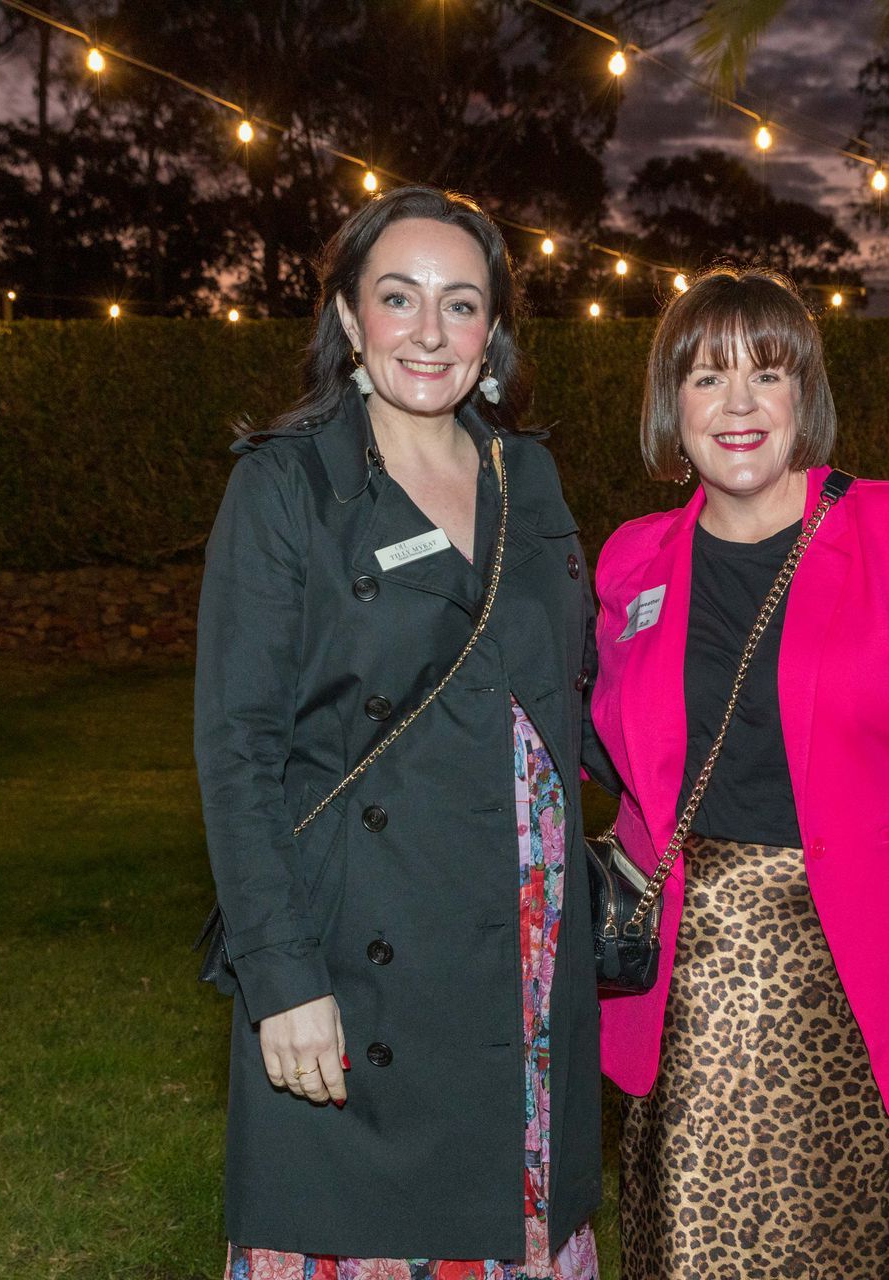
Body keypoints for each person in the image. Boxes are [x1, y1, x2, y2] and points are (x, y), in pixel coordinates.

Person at [589, 267, 889, 1278]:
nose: (737, 404)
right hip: (687, 996)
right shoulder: (632, 562)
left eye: (767, 374)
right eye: (707, 376)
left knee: (868, 1251)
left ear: (805, 397)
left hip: (871, 977)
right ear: (668, 407)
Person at [194, 186, 601, 1279]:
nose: (431, 331)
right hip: (353, 950)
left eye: (461, 304)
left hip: (523, 950)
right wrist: (279, 976)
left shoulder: (531, 475)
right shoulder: (288, 484)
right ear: (346, 317)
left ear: (493, 332)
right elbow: (237, 752)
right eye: (400, 297)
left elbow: (575, 687)